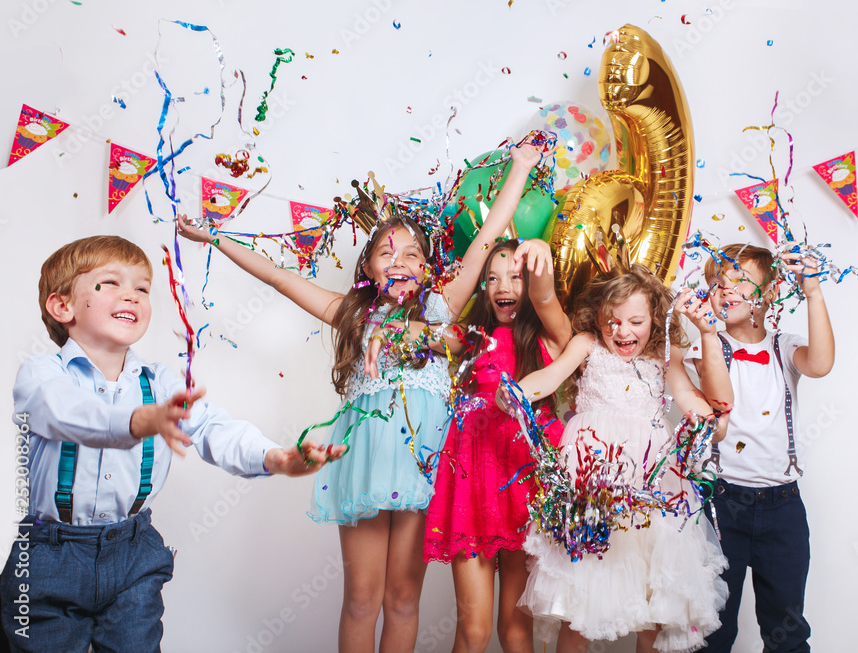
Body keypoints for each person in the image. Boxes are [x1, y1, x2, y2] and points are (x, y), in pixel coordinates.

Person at [178, 139, 549, 652]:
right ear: (368, 268)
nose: (400, 260)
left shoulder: (442, 309)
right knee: (361, 598)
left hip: (426, 467)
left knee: (402, 598)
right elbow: (279, 276)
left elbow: (488, 234)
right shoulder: (353, 315)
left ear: (427, 267)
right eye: (385, 252)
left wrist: (522, 168)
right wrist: (215, 237)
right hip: (365, 464)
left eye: (413, 253)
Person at [0, 235, 335, 653]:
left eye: (141, 287)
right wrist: (140, 420)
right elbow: (63, 411)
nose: (132, 295)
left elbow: (214, 427)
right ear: (62, 306)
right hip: (49, 559)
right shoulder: (41, 374)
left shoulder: (159, 383)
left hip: (134, 553)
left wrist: (277, 457)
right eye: (111, 283)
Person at [503, 265, 732, 653]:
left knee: (655, 601)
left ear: (655, 319)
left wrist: (705, 418)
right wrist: (518, 391)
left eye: (636, 321)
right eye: (613, 321)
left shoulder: (665, 355)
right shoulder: (586, 344)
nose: (623, 331)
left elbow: (691, 398)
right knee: (580, 596)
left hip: (650, 483)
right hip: (593, 485)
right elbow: (550, 376)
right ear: (597, 317)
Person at [424, 235, 572, 653]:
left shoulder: (550, 337)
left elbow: (546, 300)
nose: (503, 286)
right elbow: (417, 331)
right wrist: (378, 322)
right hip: (472, 489)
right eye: (492, 278)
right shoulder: (467, 340)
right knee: (473, 632)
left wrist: (540, 252)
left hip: (525, 489)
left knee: (515, 632)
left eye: (515, 276)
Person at [688, 244, 834, 653]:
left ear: (768, 294)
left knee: (787, 631)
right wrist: (706, 334)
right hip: (721, 505)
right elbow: (715, 406)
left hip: (782, 506)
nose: (726, 289)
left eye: (739, 280)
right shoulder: (705, 347)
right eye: (718, 282)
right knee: (712, 631)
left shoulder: (783, 347)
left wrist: (814, 293)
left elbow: (820, 364)